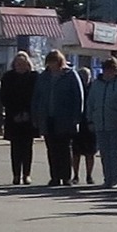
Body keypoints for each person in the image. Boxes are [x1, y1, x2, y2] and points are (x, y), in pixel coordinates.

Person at [34, 51, 85, 186]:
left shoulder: (70, 75)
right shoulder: (43, 77)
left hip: (65, 118)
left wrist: (76, 117)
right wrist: (36, 116)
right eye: (50, 62)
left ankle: (66, 177)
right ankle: (55, 176)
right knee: (51, 149)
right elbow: (37, 97)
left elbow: (78, 97)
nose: (52, 65)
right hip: (48, 118)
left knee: (64, 149)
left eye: (54, 62)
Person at [87, 60, 117, 190]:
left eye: (112, 70)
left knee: (115, 153)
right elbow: (90, 103)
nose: (108, 72)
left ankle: (115, 180)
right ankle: (107, 179)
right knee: (104, 153)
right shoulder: (96, 84)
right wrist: (90, 120)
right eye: (106, 70)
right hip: (99, 123)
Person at [0, 52, 39, 184]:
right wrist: (15, 113)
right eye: (18, 63)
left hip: (29, 117)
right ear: (14, 64)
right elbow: (4, 97)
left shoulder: (34, 77)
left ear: (28, 64)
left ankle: (26, 174)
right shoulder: (8, 77)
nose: (20, 66)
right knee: (15, 148)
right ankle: (16, 175)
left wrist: (28, 112)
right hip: (13, 117)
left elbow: (37, 97)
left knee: (27, 147)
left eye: (23, 63)